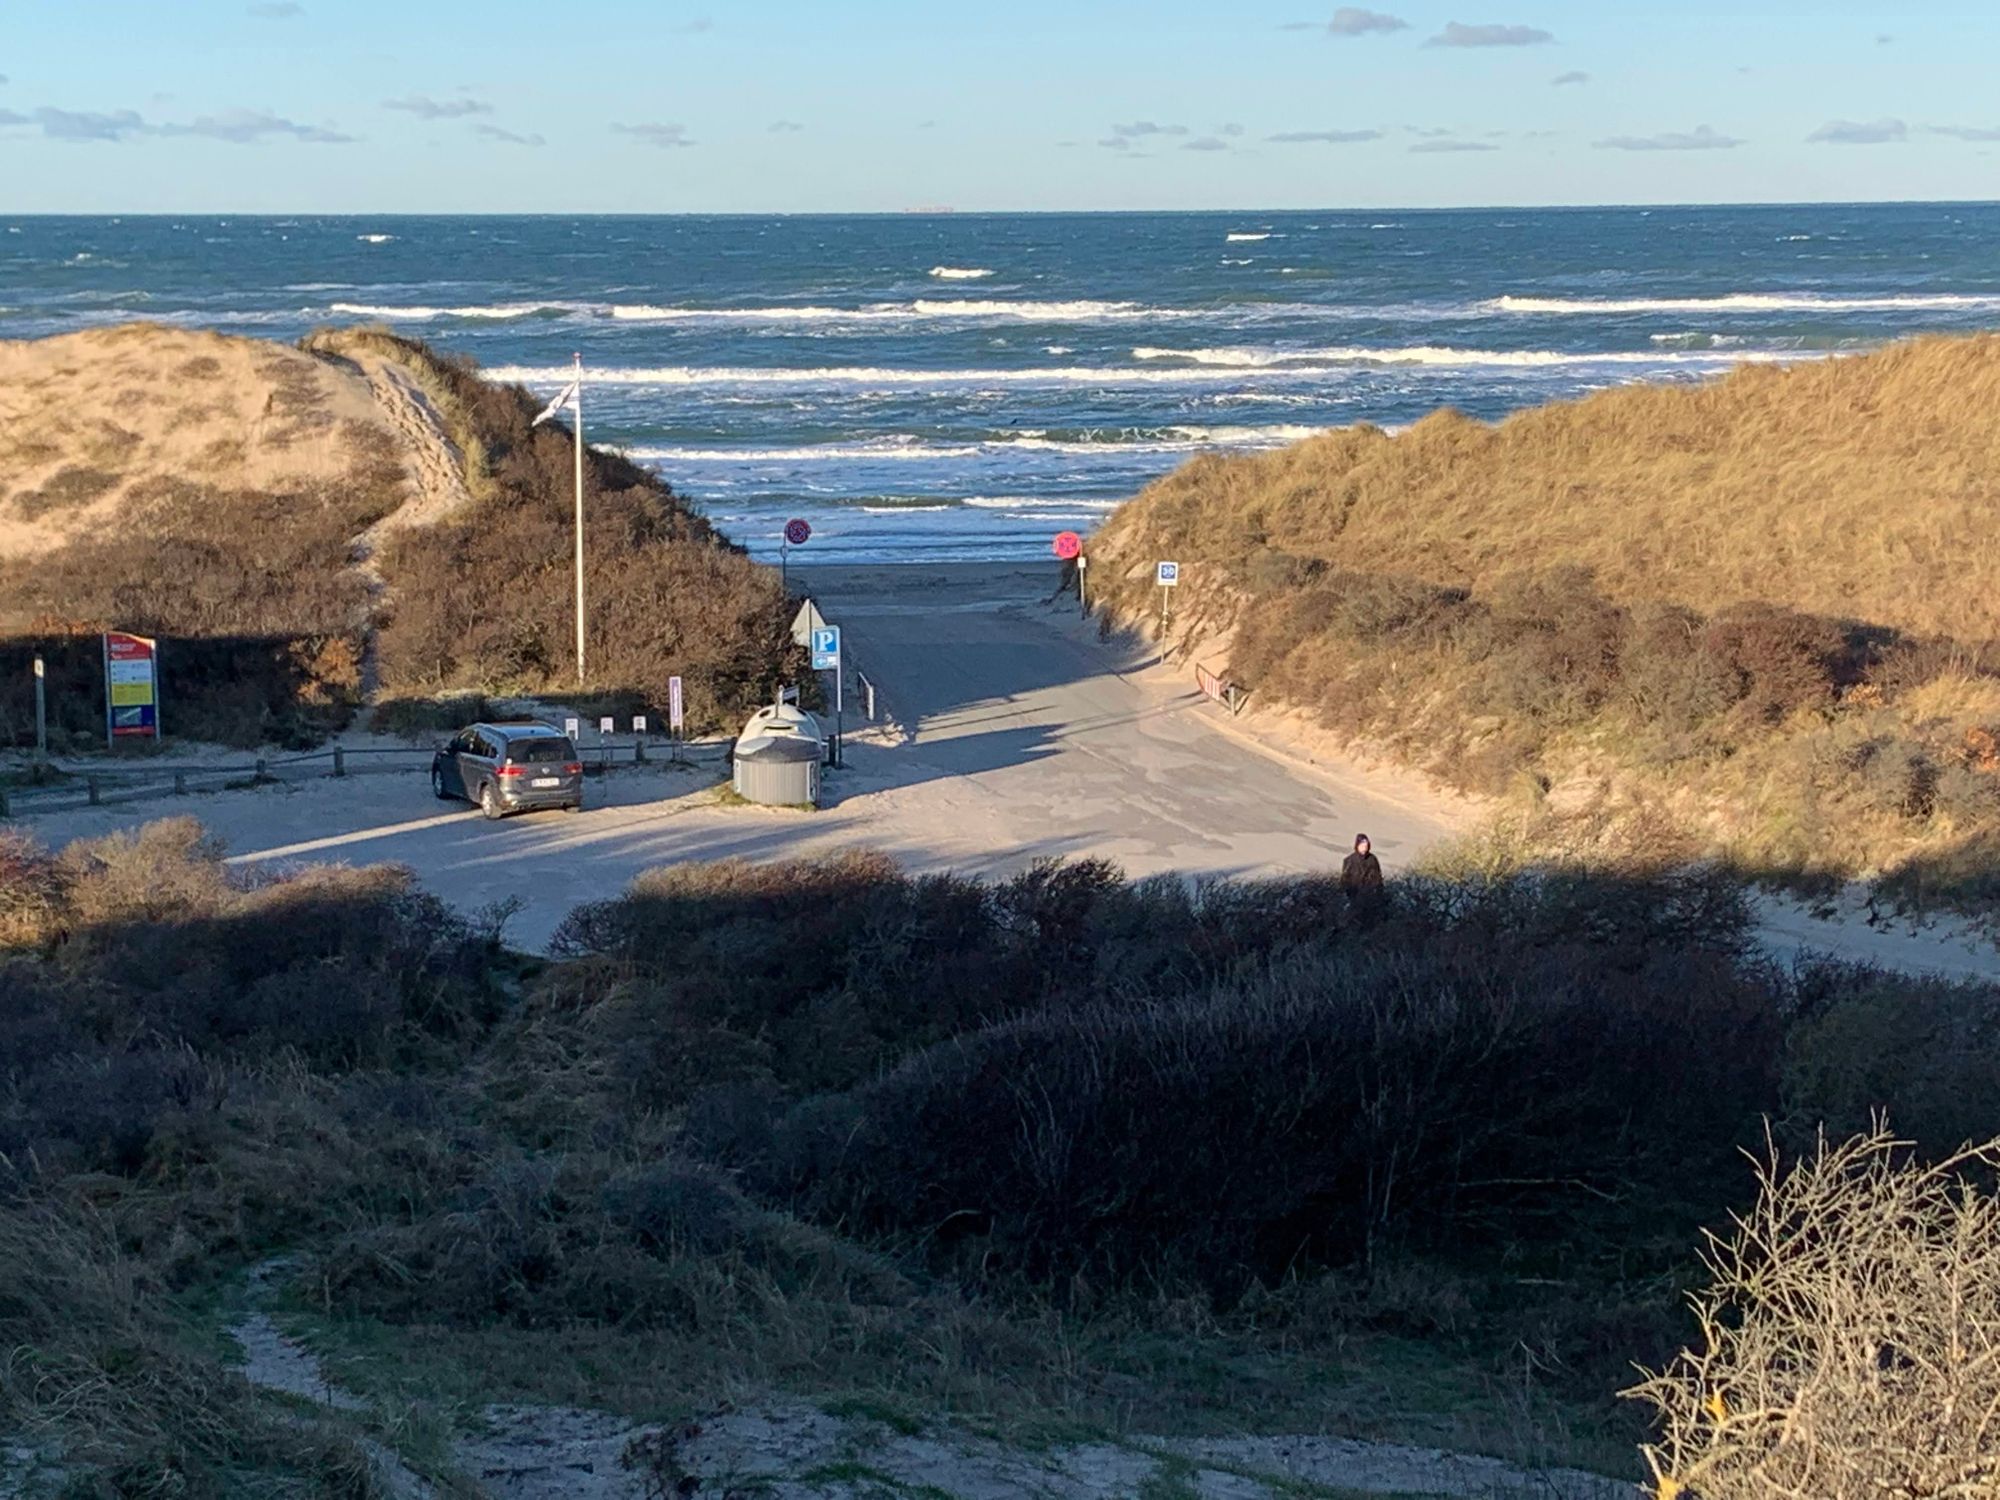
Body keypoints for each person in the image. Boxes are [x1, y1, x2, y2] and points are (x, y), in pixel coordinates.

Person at [1341, 834, 1383, 904]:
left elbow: (1378, 878)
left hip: (1369, 894)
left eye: (1366, 846)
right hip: (1353, 894)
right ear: (1357, 846)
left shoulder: (1372, 859)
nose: (1364, 848)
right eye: (1362, 846)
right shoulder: (1349, 860)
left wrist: (1378, 892)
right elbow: (1344, 878)